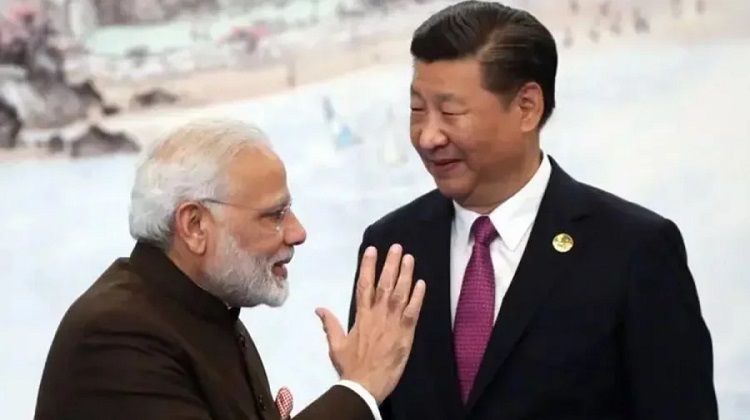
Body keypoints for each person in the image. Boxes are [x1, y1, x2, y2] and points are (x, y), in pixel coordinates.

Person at [347, 2, 718, 419]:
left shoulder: (633, 250)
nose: (428, 136)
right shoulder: (393, 248)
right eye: (417, 110)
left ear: (527, 107)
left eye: (450, 112)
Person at [33, 119, 426, 420]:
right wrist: (360, 387)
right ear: (194, 226)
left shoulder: (204, 312)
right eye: (274, 215)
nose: (298, 232)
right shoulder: (115, 334)